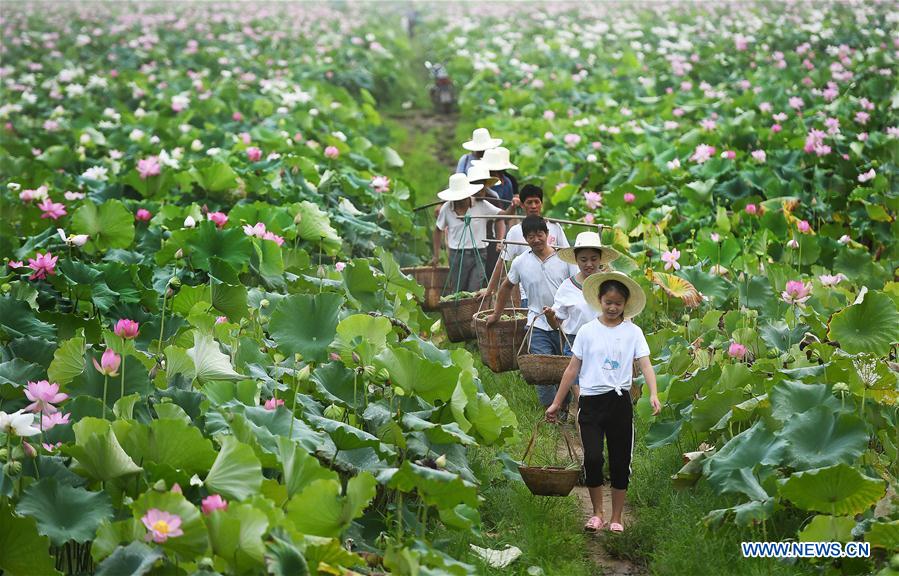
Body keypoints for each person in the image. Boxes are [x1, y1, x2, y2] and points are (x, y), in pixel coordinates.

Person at [545, 271, 661, 534]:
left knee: (620, 462)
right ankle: (597, 513)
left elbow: (645, 364)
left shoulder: (633, 332)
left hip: (620, 403)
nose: (612, 307)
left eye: (618, 303)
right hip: (591, 404)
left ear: (625, 304)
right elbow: (572, 369)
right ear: (599, 300)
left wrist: (654, 393)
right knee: (594, 459)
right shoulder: (587, 331)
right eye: (608, 302)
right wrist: (556, 402)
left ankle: (617, 517)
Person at [486, 215, 577, 418]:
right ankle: (550, 412)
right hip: (537, 323)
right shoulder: (520, 262)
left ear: (547, 234)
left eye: (539, 234)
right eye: (530, 236)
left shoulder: (564, 259)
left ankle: (562, 406)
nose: (535, 239)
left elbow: (578, 286)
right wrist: (496, 314)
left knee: (564, 367)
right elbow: (506, 287)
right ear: (525, 238)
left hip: (565, 324)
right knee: (541, 371)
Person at [486, 184, 570, 306]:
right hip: (529, 295)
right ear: (522, 205)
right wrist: (489, 290)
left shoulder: (554, 227)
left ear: (542, 203)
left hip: (558, 293)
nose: (533, 206)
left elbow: (568, 255)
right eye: (529, 202)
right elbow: (502, 261)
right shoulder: (516, 231)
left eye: (536, 202)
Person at [544, 231, 622, 353]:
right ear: (576, 259)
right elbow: (556, 324)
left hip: (606, 341)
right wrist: (550, 316)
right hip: (574, 344)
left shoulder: (609, 284)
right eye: (583, 259)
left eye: (594, 259)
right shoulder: (567, 287)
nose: (589, 264)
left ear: (600, 259)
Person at [432, 173, 504, 294]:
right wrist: (436, 255)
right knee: (458, 290)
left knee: (474, 290)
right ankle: (458, 312)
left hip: (479, 253)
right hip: (457, 255)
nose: (461, 200)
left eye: (463, 196)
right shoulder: (446, 208)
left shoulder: (481, 204)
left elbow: (502, 215)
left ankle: (470, 312)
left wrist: (513, 206)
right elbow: (438, 229)